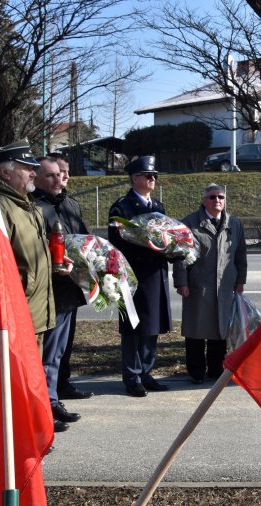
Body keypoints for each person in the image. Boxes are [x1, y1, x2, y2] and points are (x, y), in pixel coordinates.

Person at [0, 140, 71, 443]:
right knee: (7, 388)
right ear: (4, 174)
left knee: (25, 386)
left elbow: (28, 258)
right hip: (11, 316)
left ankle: (22, 445)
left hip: (35, 313)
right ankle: (2, 453)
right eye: (26, 169)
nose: (32, 174)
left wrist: (56, 264)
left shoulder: (26, 205)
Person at [33, 155, 91, 432]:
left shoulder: (70, 204)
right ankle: (44, 407)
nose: (58, 180)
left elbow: (85, 242)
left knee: (58, 353)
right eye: (50, 176)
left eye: (59, 174)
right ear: (36, 179)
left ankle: (53, 400)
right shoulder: (35, 208)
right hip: (46, 292)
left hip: (69, 291)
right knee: (46, 355)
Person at [107, 156, 172, 397]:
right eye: (148, 175)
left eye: (154, 176)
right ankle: (132, 376)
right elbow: (117, 242)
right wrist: (150, 251)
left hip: (155, 275)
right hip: (134, 276)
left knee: (151, 326)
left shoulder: (158, 206)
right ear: (135, 178)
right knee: (133, 327)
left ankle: (146, 371)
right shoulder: (121, 207)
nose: (153, 179)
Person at [173, 184, 247, 384]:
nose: (217, 201)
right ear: (204, 200)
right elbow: (179, 256)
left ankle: (215, 369)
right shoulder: (189, 223)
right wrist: (181, 282)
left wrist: (241, 279)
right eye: (212, 197)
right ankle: (196, 372)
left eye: (221, 197)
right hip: (198, 285)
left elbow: (240, 254)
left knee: (219, 329)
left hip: (224, 286)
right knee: (196, 330)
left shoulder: (234, 223)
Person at [46, 152, 93, 401]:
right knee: (50, 349)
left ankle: (62, 384)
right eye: (56, 172)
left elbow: (85, 239)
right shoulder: (40, 205)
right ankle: (50, 398)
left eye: (65, 172)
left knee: (65, 344)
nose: (63, 176)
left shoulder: (71, 204)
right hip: (50, 287)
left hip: (70, 285)